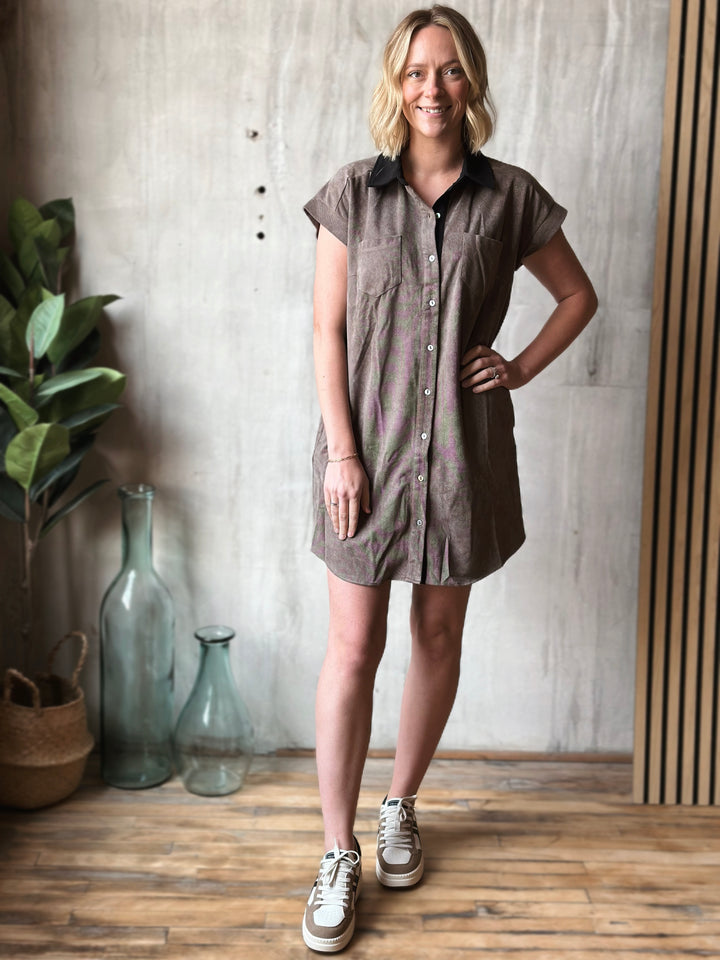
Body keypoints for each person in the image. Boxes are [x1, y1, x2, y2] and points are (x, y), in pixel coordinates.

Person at [301, 4, 597, 952]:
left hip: (462, 455)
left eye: (451, 70)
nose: (433, 88)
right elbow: (326, 332)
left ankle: (400, 805)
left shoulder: (511, 198)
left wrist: (519, 365)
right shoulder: (353, 194)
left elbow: (578, 295)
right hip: (366, 458)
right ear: (397, 84)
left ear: (473, 83)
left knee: (437, 633)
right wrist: (343, 454)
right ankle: (336, 850)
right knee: (353, 647)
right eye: (417, 71)